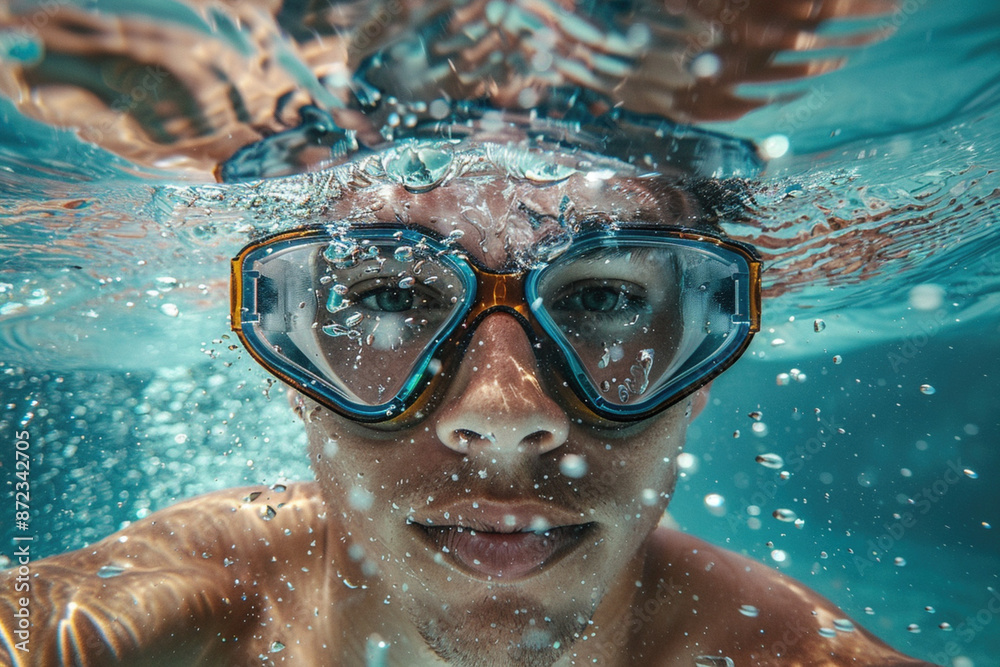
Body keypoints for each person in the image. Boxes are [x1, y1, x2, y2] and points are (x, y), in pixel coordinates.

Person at [0, 110, 934, 667]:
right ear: (290, 372)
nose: (502, 413)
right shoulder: (189, 606)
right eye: (391, 296)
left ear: (699, 375)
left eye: (606, 297)